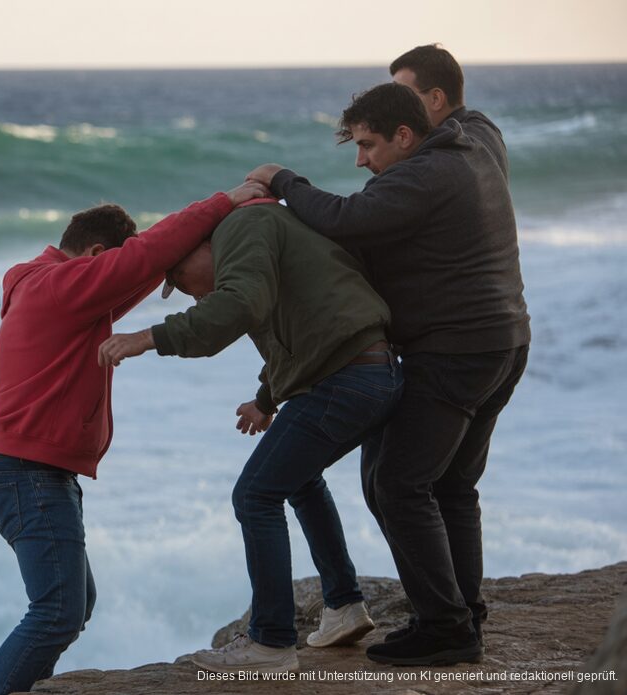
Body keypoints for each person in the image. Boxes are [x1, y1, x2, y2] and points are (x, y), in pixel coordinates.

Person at [247, 82, 530, 666]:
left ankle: (447, 628)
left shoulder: (422, 175)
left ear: (406, 135)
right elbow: (468, 111)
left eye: (368, 145)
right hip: (503, 342)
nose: (361, 161)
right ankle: (461, 612)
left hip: (453, 351)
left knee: (397, 485)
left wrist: (281, 179)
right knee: (450, 485)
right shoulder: (471, 144)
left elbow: (342, 218)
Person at [0, 183, 266, 695]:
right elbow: (144, 255)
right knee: (59, 612)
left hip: (26, 470)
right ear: (94, 257)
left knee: (71, 606)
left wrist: (162, 267)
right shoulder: (58, 287)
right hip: (26, 472)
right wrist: (229, 199)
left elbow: (142, 264)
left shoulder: (56, 291)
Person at [98, 200, 402, 673]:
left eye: (178, 278)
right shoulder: (254, 238)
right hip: (366, 372)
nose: (187, 293)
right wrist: (266, 399)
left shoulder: (244, 226)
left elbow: (240, 306)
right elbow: (296, 327)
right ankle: (344, 606)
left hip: (347, 377)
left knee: (255, 495)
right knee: (297, 480)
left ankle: (272, 643)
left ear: (201, 246)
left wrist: (149, 338)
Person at [389, 43, 508, 175]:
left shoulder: (443, 153)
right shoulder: (485, 129)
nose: (396, 107)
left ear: (436, 99)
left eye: (402, 96)